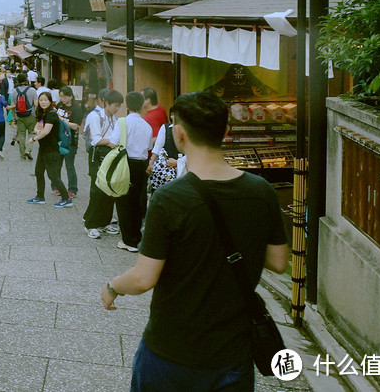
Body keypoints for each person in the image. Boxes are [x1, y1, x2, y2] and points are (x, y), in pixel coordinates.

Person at [101, 90, 289, 390]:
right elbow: (279, 262)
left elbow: (142, 279)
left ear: (179, 134)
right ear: (226, 132)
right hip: (232, 355)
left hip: (171, 353)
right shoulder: (261, 190)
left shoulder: (170, 198)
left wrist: (112, 287)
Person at [116, 91, 157, 252]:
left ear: (126, 105)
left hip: (125, 163)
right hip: (141, 164)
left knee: (123, 200)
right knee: (138, 201)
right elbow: (148, 147)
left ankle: (128, 240)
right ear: (142, 106)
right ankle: (136, 236)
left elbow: (114, 142)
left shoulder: (122, 122)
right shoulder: (146, 126)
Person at [83, 89, 123, 239]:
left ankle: (105, 222)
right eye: (115, 105)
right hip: (97, 155)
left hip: (109, 155)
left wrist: (113, 141)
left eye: (119, 106)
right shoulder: (95, 116)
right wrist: (112, 141)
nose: (117, 109)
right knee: (97, 189)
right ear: (105, 103)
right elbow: (96, 139)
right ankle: (90, 224)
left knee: (109, 188)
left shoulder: (113, 118)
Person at [27, 92, 72, 207]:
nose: (43, 102)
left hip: (52, 149)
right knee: (38, 172)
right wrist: (38, 132)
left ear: (50, 101)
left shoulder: (51, 114)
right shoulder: (43, 113)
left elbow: (45, 131)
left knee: (53, 175)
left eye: (45, 100)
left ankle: (66, 199)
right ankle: (40, 196)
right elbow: (36, 128)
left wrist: (33, 138)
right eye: (41, 100)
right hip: (44, 148)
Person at [55, 87, 85, 198]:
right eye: (61, 96)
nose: (62, 98)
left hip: (70, 141)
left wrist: (62, 120)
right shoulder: (59, 105)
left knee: (69, 166)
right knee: (57, 165)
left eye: (64, 96)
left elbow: (76, 126)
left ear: (71, 96)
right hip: (59, 140)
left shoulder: (77, 109)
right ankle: (57, 186)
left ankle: (72, 189)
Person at [10, 75, 37, 160]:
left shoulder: (14, 91)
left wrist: (14, 117)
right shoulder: (32, 90)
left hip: (19, 116)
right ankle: (28, 150)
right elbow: (36, 104)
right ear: (26, 80)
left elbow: (13, 106)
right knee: (32, 133)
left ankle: (22, 155)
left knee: (21, 135)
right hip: (31, 115)